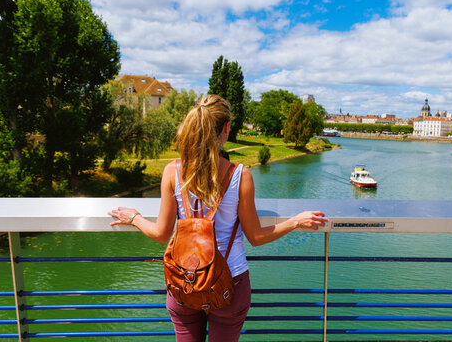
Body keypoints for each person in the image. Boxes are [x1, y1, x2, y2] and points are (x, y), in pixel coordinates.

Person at [108, 95, 328, 342]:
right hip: (229, 285)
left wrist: (135, 217)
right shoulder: (240, 175)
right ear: (225, 128)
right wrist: (295, 221)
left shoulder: (172, 172)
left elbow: (161, 233)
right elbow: (255, 236)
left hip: (185, 281)